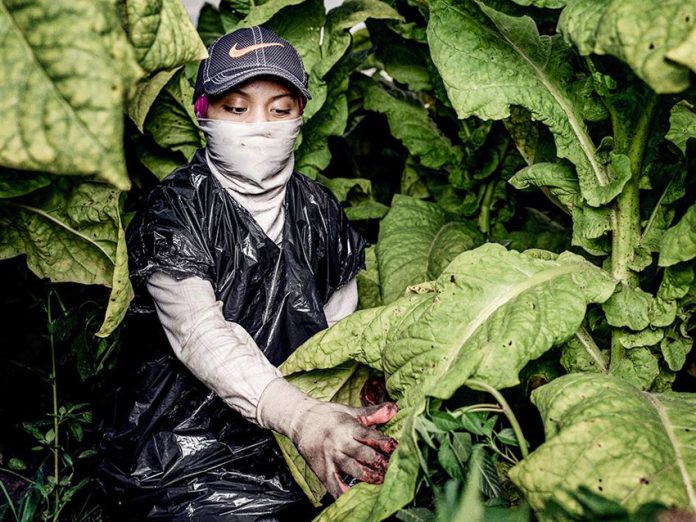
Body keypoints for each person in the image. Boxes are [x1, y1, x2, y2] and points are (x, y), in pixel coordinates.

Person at [98, 26, 397, 520]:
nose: (259, 126)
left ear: (300, 114)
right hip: (183, 451)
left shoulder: (319, 208)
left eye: (279, 110)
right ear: (202, 113)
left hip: (299, 430)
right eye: (236, 109)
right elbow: (199, 333)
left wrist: (346, 412)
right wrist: (299, 417)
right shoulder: (176, 209)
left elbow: (342, 331)